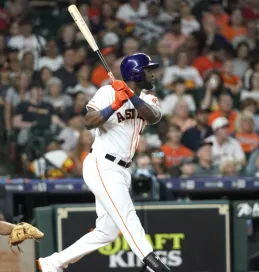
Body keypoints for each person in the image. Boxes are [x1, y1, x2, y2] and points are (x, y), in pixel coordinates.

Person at [37, 53, 171, 272]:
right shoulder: (107, 92)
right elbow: (89, 122)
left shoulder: (148, 97)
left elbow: (154, 116)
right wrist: (116, 103)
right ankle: (152, 262)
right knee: (127, 213)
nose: (152, 74)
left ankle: (53, 263)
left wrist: (129, 95)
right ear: (137, 73)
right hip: (102, 164)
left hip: (123, 169)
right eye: (148, 70)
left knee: (107, 232)